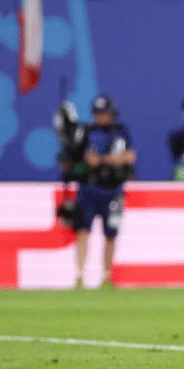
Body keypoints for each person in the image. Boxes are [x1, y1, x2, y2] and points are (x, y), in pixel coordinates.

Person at [73, 95, 137, 289]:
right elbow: (82, 157)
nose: (102, 117)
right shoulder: (86, 132)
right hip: (89, 189)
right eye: (98, 113)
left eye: (105, 113)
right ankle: (79, 276)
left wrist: (103, 160)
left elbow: (129, 156)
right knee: (83, 230)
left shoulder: (121, 131)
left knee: (111, 233)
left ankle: (106, 276)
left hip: (113, 189)